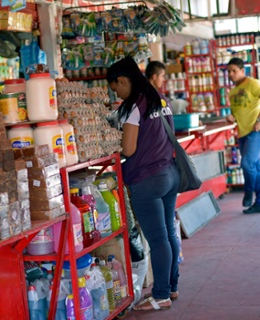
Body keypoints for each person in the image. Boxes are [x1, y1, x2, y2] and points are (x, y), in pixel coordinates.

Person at [107, 57, 180, 312]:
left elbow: (128, 148)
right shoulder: (160, 99)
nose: (117, 93)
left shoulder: (134, 106)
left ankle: (160, 295)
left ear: (123, 80)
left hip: (148, 180)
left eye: (116, 88)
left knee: (158, 239)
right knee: (169, 233)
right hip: (170, 174)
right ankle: (171, 286)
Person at [226, 57, 260, 213]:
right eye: (229, 71)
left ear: (242, 70)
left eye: (234, 70)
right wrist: (231, 118)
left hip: (257, 131)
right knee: (255, 168)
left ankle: (248, 191)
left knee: (246, 164)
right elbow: (235, 113)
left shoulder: (252, 83)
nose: (231, 74)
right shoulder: (232, 92)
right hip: (243, 134)